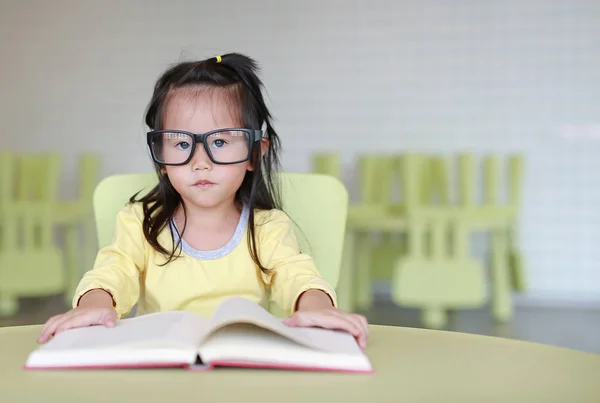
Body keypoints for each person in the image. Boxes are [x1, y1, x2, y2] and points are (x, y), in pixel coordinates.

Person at [38, 52, 368, 348]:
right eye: (182, 145)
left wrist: (317, 307)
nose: (201, 161)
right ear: (161, 157)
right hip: (160, 365)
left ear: (255, 153)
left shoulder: (267, 227)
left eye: (220, 142)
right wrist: (95, 304)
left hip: (242, 365)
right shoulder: (138, 221)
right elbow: (113, 272)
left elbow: (296, 275)